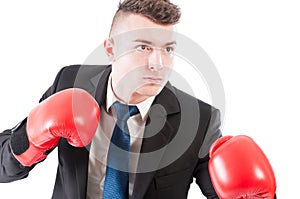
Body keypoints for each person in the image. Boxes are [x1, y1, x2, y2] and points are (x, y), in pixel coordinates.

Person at [0, 0, 276, 198]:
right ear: (111, 49)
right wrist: (29, 138)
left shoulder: (199, 120)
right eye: (143, 47)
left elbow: (220, 190)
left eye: (168, 48)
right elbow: (4, 168)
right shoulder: (70, 83)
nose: (158, 63)